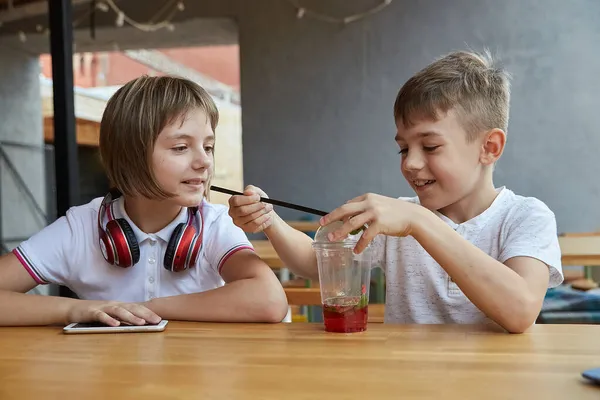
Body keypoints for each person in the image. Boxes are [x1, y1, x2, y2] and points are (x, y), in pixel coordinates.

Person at [228, 50, 563, 333]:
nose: (411, 164)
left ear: (489, 147)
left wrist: (419, 221)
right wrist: (269, 220)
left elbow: (520, 310)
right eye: (403, 149)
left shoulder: (526, 216)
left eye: (430, 147)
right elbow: (315, 262)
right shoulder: (398, 220)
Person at [0, 75, 288, 327]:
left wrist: (149, 309)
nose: (204, 161)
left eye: (208, 146)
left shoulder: (213, 223)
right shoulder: (81, 228)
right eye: (180, 147)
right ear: (131, 155)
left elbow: (270, 300)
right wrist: (78, 309)